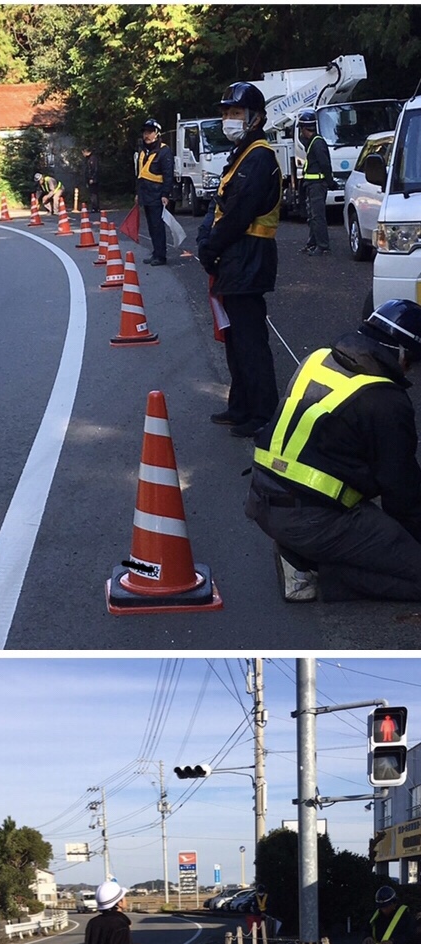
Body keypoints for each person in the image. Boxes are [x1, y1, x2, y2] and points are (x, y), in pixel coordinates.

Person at [245, 299, 421, 602]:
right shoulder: (386, 400)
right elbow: (401, 493)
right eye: (413, 360)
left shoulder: (318, 358)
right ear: (401, 353)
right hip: (313, 519)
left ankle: (299, 552)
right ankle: (315, 571)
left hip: (262, 498)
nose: (410, 369)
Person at [197, 82, 282, 441]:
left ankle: (263, 414)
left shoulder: (259, 156)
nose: (229, 120)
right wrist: (207, 241)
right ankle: (241, 406)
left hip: (249, 257)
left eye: (236, 114)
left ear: (255, 118)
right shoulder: (241, 154)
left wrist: (210, 247)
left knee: (250, 341)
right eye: (226, 114)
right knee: (235, 340)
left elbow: (238, 213)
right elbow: (219, 206)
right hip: (236, 259)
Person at [135, 119, 174, 266]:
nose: (147, 135)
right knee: (151, 226)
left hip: (157, 194)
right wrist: (138, 194)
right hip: (146, 194)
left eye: (150, 132)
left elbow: (168, 175)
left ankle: (161, 255)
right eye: (145, 132)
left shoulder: (164, 151)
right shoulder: (143, 151)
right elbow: (139, 175)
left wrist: (165, 194)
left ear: (157, 134)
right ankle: (155, 252)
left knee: (158, 226)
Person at [297, 110, 332, 256]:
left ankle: (323, 246)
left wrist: (329, 181)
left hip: (317, 185)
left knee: (318, 216)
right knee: (312, 216)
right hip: (312, 185)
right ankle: (312, 243)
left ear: (304, 129)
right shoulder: (313, 142)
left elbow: (325, 164)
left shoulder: (317, 143)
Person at [81, 146, 100, 215]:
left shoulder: (93, 159)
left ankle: (95, 207)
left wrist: (92, 178)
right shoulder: (88, 159)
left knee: (94, 193)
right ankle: (94, 207)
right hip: (90, 179)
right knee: (92, 193)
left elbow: (95, 169)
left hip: (93, 179)